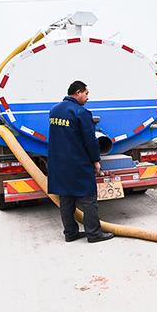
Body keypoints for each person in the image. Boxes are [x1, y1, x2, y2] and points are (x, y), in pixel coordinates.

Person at [47, 80, 114, 243]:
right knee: (88, 198)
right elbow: (90, 141)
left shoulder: (54, 111)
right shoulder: (81, 112)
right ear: (77, 92)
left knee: (66, 198)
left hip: (58, 163)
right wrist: (96, 160)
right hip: (77, 163)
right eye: (86, 93)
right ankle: (94, 234)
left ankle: (70, 234)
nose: (87, 97)